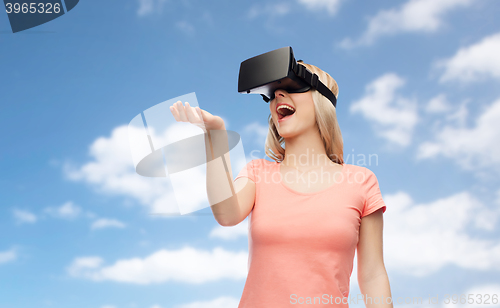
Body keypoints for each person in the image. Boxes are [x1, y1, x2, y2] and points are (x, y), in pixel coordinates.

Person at [169, 60, 393, 307]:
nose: (277, 95)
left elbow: (372, 275)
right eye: (272, 94)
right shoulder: (258, 173)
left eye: (293, 86)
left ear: (322, 101)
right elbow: (226, 213)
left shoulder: (361, 182)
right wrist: (215, 134)